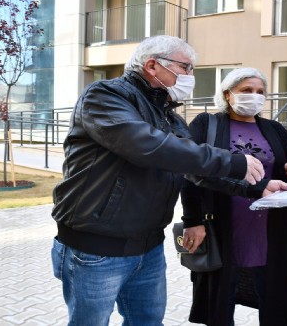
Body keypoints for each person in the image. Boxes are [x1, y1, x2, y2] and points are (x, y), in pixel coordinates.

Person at [50, 36, 268, 326]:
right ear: (152, 65)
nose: (191, 77)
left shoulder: (169, 117)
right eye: (187, 68)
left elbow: (196, 172)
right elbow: (149, 146)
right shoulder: (104, 97)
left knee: (148, 323)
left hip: (149, 248)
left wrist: (257, 188)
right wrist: (233, 161)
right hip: (95, 248)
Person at [180, 67, 287, 326]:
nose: (254, 96)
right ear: (228, 94)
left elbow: (283, 172)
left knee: (275, 298)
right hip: (221, 225)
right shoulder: (206, 125)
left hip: (271, 227)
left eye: (260, 92)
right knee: (219, 300)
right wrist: (193, 221)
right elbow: (189, 174)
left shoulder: (275, 129)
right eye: (246, 90)